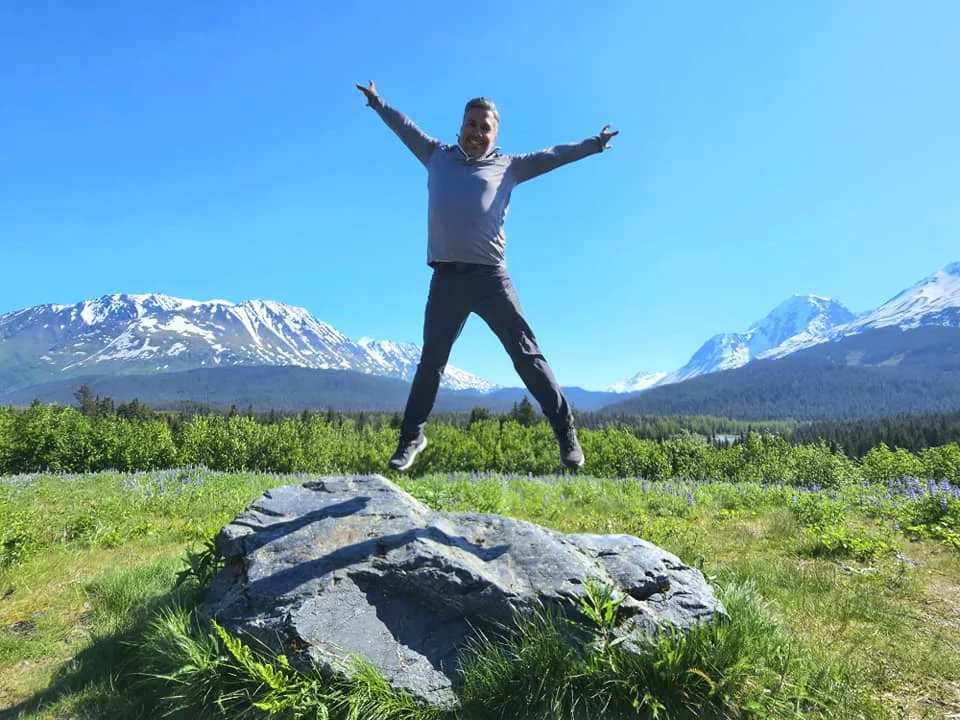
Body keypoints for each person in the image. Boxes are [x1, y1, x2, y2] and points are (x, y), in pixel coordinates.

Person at [356, 80, 618, 472]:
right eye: (471, 124)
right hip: (447, 280)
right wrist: (378, 103)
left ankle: (565, 431)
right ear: (460, 127)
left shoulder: (509, 167)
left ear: (494, 134)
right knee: (431, 362)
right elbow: (404, 127)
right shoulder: (435, 156)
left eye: (485, 127)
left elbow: (553, 156)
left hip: (492, 278)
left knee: (526, 354)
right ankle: (412, 437)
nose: (477, 132)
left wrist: (593, 145)